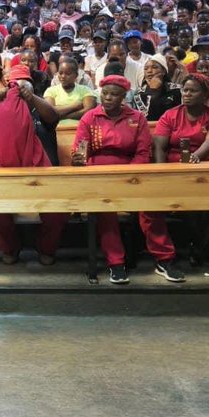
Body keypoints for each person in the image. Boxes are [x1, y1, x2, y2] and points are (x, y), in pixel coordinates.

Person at [0, 64, 67, 265]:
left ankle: (45, 247)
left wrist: (31, 98)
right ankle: (11, 247)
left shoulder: (38, 107)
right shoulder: (3, 111)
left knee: (58, 210)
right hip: (8, 177)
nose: (17, 89)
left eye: (24, 84)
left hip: (43, 179)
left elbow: (53, 116)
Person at [71, 75, 152, 284]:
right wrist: (80, 161)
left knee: (152, 207)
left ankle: (165, 259)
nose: (108, 98)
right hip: (97, 175)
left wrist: (130, 176)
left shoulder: (137, 118)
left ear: (124, 97)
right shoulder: (90, 117)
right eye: (105, 93)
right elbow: (80, 149)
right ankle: (116, 263)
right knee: (105, 209)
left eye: (114, 95)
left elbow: (143, 153)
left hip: (130, 175)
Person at [148, 74, 209, 276]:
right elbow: (159, 146)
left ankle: (199, 246)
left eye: (193, 91)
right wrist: (161, 171)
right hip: (175, 169)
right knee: (188, 201)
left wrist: (195, 158)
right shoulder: (171, 115)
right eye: (185, 90)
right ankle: (202, 248)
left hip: (206, 168)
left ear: (205, 95)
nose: (187, 94)